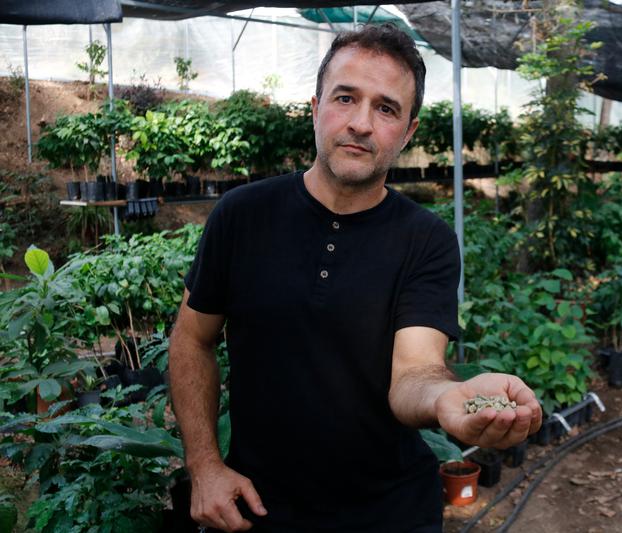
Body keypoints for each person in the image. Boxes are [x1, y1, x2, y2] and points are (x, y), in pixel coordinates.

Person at [169, 23, 543, 533]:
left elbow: (414, 372)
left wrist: (447, 399)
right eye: (346, 98)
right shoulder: (242, 216)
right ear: (316, 106)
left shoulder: (425, 240)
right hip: (257, 509)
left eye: (386, 108)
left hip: (390, 514)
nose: (361, 123)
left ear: (408, 131)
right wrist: (205, 465)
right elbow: (192, 339)